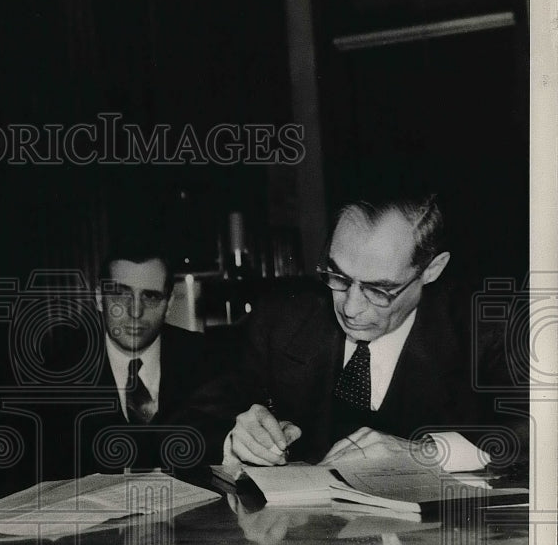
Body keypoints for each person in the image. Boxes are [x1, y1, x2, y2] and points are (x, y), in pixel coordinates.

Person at [183, 195, 524, 471]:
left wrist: (428, 452)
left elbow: (537, 431)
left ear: (432, 270)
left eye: (379, 289)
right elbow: (187, 417)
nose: (350, 308)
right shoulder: (281, 320)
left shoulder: (486, 328)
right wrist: (235, 438)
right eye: (339, 278)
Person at [40, 241, 215, 476]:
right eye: (121, 295)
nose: (135, 311)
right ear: (100, 298)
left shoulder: (207, 359)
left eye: (151, 296)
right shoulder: (58, 374)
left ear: (169, 303)